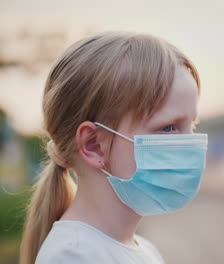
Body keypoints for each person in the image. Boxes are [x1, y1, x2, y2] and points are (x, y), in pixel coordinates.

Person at [19, 31, 208, 264]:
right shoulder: (74, 256)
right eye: (169, 128)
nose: (189, 144)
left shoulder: (141, 249)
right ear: (94, 145)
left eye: (192, 125)